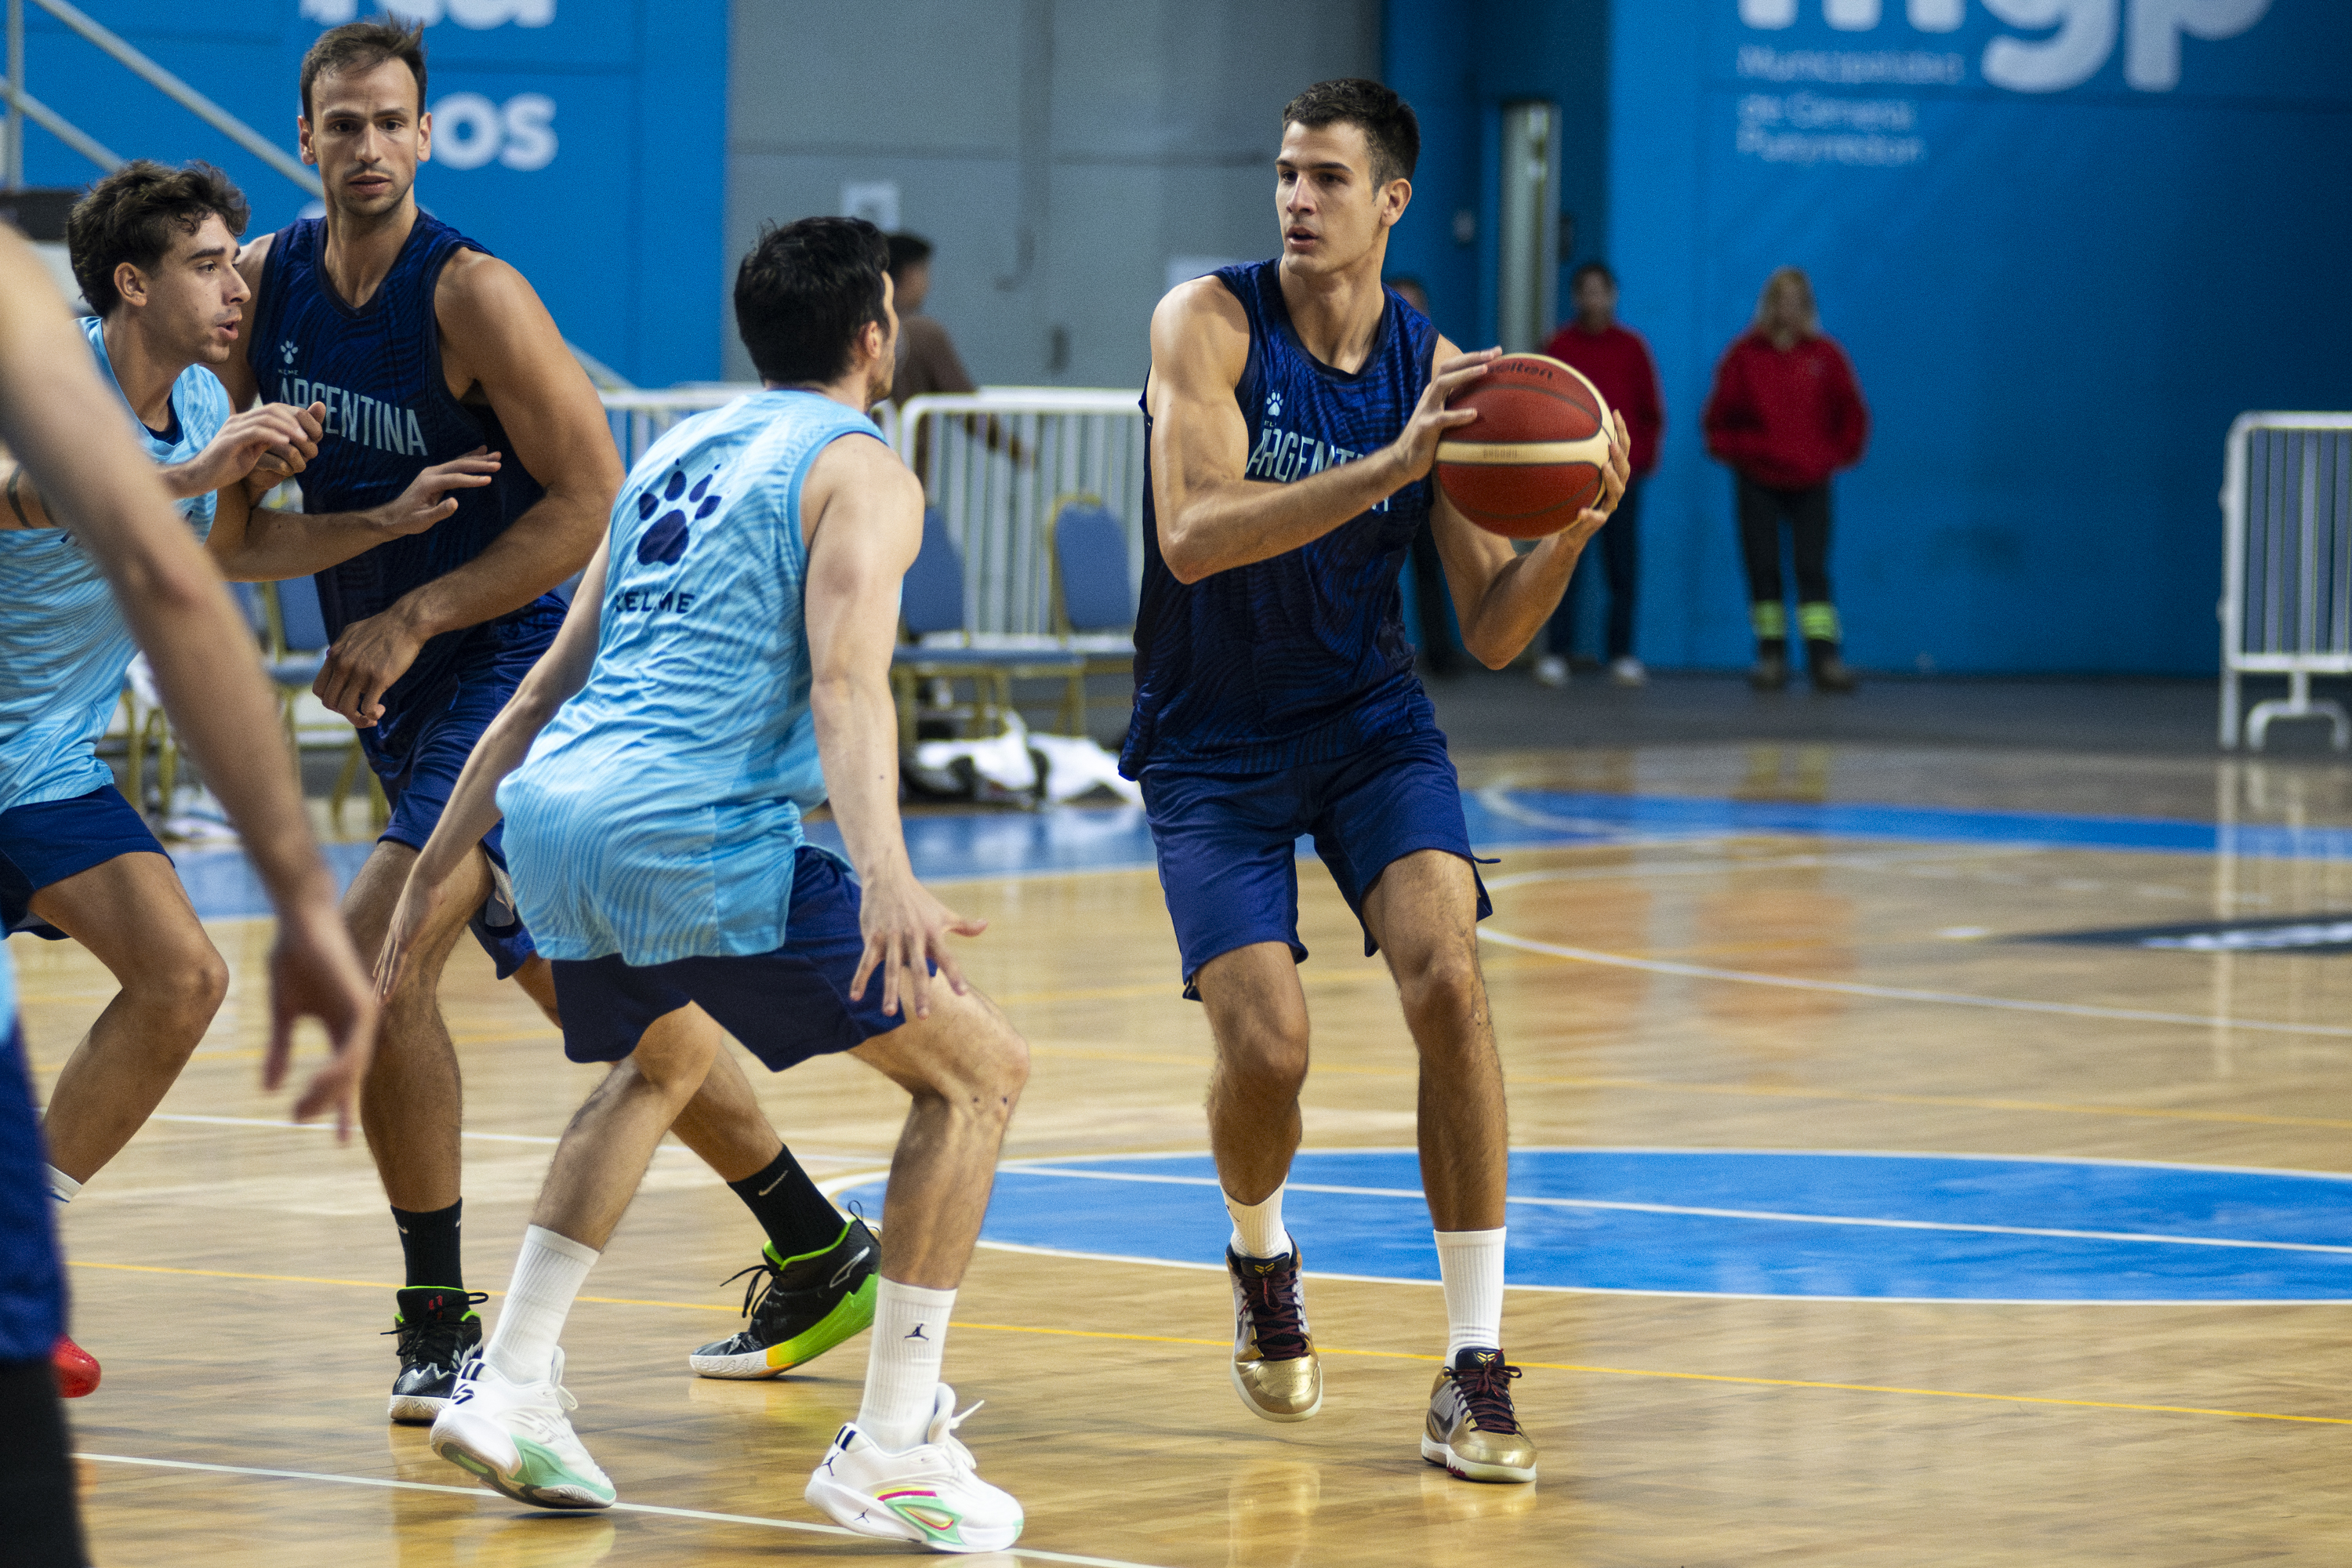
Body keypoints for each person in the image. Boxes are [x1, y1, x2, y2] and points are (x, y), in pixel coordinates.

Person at [222, 19, 877, 1423]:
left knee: (376, 964)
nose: (371, 148)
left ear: (427, 135)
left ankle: (440, 1320)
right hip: (408, 690)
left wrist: (413, 610)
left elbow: (595, 505)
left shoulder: (472, 297)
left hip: (520, 673)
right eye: (344, 125)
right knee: (617, 1016)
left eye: (394, 122)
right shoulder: (273, 288)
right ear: (306, 141)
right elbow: (240, 539)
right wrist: (352, 546)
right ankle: (817, 1239)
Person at [377, 217, 1029, 1551]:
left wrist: (434, 873)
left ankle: (509, 1387)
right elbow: (848, 682)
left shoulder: (672, 455)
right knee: (979, 1077)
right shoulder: (865, 470)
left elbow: (544, 689)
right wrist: (888, 875)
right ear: (875, 336)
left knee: (661, 1064)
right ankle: (892, 1448)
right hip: (687, 827)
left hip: (556, 817)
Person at [1125, 78, 1626, 1483]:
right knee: (1270, 1051)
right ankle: (1260, 1249)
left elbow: (1489, 627)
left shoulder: (1443, 367)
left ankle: (1473, 1366)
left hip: (1367, 722)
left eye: (1329, 179)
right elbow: (1192, 537)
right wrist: (1391, 463)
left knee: (1447, 979)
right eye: (1287, 173)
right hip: (1210, 738)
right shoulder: (1205, 324)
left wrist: (1577, 521)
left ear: (1393, 201)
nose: (1297, 198)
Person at [0, 159, 460, 1397]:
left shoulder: (206, 404)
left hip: (38, 767)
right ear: (132, 283)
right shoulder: (40, 368)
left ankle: (12, 1272)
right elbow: (25, 499)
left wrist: (384, 523)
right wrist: (195, 480)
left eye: (235, 262)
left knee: (184, 978)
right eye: (206, 265)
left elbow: (228, 556)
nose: (234, 288)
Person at [1700, 265, 1868, 693]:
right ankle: (1770, 657)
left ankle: (1824, 660)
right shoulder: (1744, 356)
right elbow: (1718, 419)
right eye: (1781, 300)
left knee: (1812, 570)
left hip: (1812, 482)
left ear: (1807, 306)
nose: (1788, 309)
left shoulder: (1827, 357)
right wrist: (1740, 452)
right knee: (1763, 570)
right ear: (1769, 305)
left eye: (1797, 301)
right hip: (1757, 481)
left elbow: (1852, 415)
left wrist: (1831, 456)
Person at [1536, 261, 1663, 688]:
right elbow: (1539, 411)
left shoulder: (1633, 348)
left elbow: (1650, 414)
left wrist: (1634, 463)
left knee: (1622, 567)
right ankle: (1556, 652)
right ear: (1575, 298)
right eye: (1585, 291)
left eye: (1600, 291)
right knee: (1562, 561)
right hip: (1569, 482)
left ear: (1613, 296)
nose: (1593, 299)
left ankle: (1622, 654)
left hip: (1620, 478)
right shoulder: (1558, 346)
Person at [1385, 274, 1465, 679]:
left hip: (1427, 485)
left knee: (1431, 571)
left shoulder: (1440, 365)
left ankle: (1441, 654)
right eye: (1399, 304)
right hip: (1374, 486)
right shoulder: (1358, 366)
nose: (1407, 314)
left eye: (1414, 306)